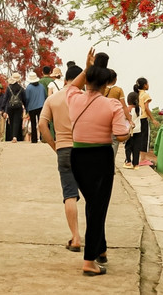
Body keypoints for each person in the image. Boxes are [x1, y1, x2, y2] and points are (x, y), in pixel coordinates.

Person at [67, 50, 130, 276]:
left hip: (77, 156)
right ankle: (89, 261)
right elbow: (121, 136)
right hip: (101, 157)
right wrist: (129, 128)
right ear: (106, 84)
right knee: (98, 208)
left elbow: (73, 86)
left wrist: (87, 68)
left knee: (93, 205)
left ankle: (101, 249)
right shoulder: (112, 105)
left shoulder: (73, 98)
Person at [38, 64, 83, 254]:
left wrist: (54, 145)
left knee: (69, 194)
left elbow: (42, 124)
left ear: (65, 79)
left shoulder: (53, 99)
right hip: (84, 148)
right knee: (92, 195)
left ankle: (76, 237)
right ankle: (98, 239)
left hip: (64, 148)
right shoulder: (85, 98)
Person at [104, 69, 131, 157]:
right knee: (114, 141)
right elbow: (124, 106)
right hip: (114, 119)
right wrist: (130, 119)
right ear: (115, 79)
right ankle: (110, 164)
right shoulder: (118, 90)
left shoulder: (101, 88)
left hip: (102, 119)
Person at [134, 77, 160, 167]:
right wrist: (153, 119)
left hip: (137, 118)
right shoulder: (145, 95)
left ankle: (136, 158)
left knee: (138, 138)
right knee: (145, 138)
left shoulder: (136, 94)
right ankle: (143, 159)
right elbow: (146, 108)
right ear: (145, 85)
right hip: (144, 118)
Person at [24, 72, 47, 143]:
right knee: (42, 123)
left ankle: (34, 139)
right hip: (41, 106)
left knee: (33, 123)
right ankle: (43, 137)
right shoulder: (42, 86)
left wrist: (26, 109)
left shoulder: (28, 88)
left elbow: (26, 99)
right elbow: (45, 96)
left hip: (31, 107)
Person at [5, 73, 27, 143]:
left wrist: (3, 109)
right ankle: (15, 137)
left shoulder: (8, 88)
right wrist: (26, 108)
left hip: (10, 107)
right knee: (16, 122)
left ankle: (12, 136)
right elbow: (24, 99)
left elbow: (5, 99)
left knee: (11, 121)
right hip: (18, 107)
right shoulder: (21, 88)